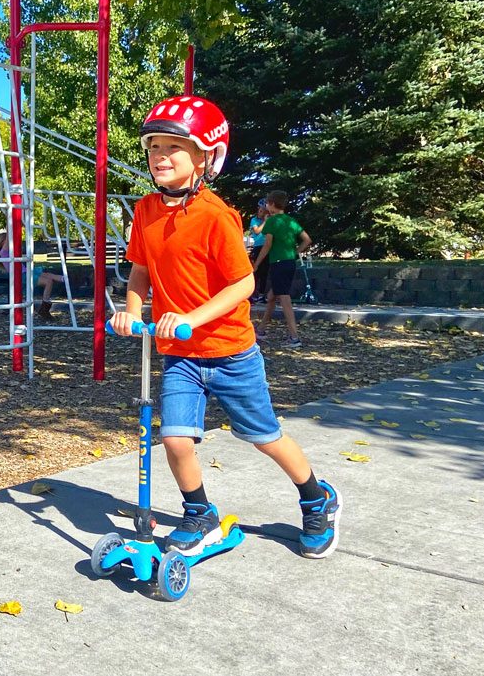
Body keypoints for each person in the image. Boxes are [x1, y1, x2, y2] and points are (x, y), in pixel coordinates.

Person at [109, 95, 341, 560]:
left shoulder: (217, 216)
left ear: (205, 157)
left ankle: (318, 499)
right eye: (154, 146)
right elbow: (139, 270)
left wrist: (191, 318)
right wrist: (131, 311)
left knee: (265, 438)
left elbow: (244, 283)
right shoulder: (147, 211)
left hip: (231, 351)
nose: (160, 156)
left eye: (174, 146)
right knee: (174, 438)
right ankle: (200, 513)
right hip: (181, 354)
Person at [250, 191, 312, 347]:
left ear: (271, 204)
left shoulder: (272, 221)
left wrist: (256, 263)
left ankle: (294, 337)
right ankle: (261, 329)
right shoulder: (291, 221)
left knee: (284, 298)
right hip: (289, 263)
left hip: (278, 262)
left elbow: (267, 245)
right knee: (272, 296)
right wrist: (295, 252)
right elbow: (307, 240)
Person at [0, 230, 65, 320]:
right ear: (2, 242)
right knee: (48, 281)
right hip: (22, 276)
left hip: (26, 272)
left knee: (48, 275)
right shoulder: (4, 252)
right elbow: (10, 232)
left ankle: (66, 279)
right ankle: (44, 308)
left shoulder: (8, 252)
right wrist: (10, 217)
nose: (11, 242)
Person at [248, 199, 270, 303]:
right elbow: (256, 231)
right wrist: (265, 221)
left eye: (263, 211)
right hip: (258, 247)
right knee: (255, 271)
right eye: (260, 210)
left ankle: (261, 294)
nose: (261, 213)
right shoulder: (254, 220)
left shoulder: (268, 219)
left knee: (264, 272)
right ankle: (252, 294)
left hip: (267, 246)